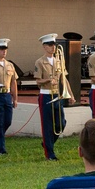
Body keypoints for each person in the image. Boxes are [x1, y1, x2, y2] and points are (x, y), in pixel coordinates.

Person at [34, 33, 68, 161]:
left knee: (61, 123)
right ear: (44, 47)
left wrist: (69, 93)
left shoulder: (59, 61)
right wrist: (48, 80)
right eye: (49, 45)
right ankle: (50, 153)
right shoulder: (40, 62)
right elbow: (38, 81)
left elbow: (64, 79)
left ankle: (48, 143)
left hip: (57, 95)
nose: (52, 47)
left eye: (54, 44)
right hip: (46, 95)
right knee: (47, 125)